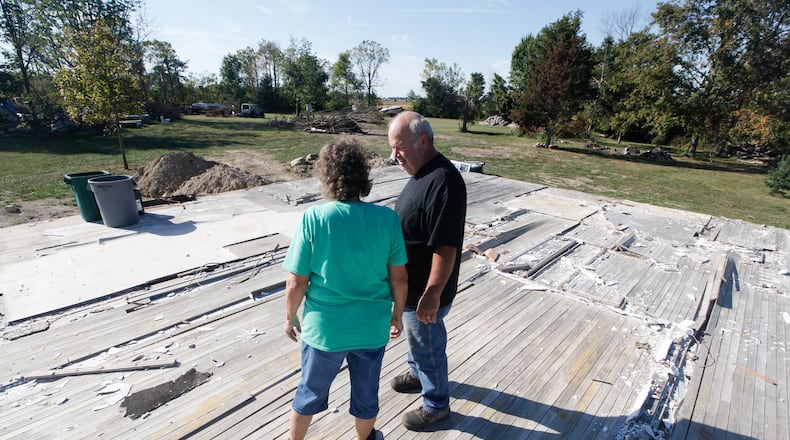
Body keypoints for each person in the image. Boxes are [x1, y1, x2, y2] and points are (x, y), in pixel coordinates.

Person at [283, 139, 408, 440]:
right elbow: (400, 279)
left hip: (324, 330)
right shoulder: (387, 219)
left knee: (309, 392)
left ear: (326, 176)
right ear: (363, 176)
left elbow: (297, 281)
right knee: (366, 395)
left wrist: (290, 316)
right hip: (371, 328)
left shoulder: (313, 218)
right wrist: (398, 315)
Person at [387, 111, 467, 431]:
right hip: (410, 286)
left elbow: (445, 247)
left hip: (424, 291)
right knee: (417, 339)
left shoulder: (444, 181)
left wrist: (432, 293)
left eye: (399, 148)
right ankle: (418, 373)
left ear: (422, 141)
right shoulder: (422, 170)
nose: (394, 157)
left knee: (428, 344)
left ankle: (436, 405)